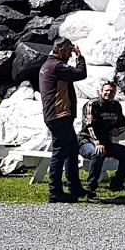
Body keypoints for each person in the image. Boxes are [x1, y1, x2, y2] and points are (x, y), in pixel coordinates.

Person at [38, 37, 88, 203]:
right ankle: (55, 191)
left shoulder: (47, 65)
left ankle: (75, 186)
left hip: (57, 115)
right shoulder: (57, 66)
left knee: (72, 151)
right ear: (60, 51)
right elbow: (81, 74)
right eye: (67, 52)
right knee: (60, 154)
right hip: (59, 115)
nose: (69, 55)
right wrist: (79, 57)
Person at [79, 81, 125, 198]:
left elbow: (122, 124)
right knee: (98, 153)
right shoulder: (92, 104)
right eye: (106, 91)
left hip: (106, 143)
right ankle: (91, 188)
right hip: (87, 142)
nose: (109, 93)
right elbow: (89, 126)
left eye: (112, 91)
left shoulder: (116, 106)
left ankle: (117, 183)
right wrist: (97, 143)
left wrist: (118, 130)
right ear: (101, 92)